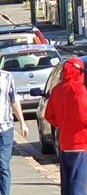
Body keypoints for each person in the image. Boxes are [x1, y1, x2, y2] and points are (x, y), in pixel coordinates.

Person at [44, 57, 87, 195]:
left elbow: (48, 116)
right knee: (78, 186)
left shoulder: (56, 90)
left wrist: (63, 123)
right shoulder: (79, 90)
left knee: (67, 187)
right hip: (80, 142)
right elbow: (84, 116)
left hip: (64, 143)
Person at [0, 63, 29, 194]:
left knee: (3, 165)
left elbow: (14, 101)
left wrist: (22, 123)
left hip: (5, 128)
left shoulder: (7, 77)